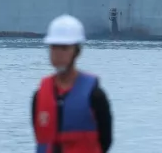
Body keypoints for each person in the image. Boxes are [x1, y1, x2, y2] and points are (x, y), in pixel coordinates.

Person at [32, 14, 113, 153]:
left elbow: (106, 140)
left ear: (77, 52)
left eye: (64, 48)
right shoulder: (39, 96)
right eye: (54, 47)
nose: (58, 53)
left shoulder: (95, 96)